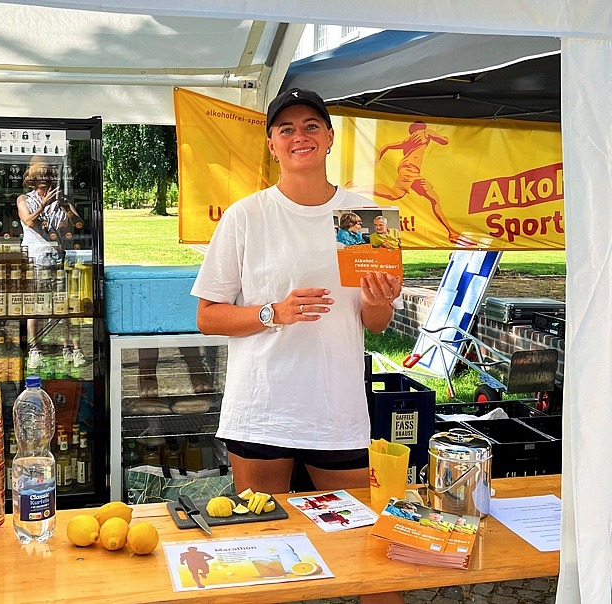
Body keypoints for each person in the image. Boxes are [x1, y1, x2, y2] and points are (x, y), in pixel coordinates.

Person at [191, 88, 403, 604]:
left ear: (329, 138)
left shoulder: (364, 218)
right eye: (286, 129)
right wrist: (272, 313)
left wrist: (380, 299)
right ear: (271, 145)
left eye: (311, 126)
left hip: (338, 411)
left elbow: (376, 323)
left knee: (367, 556)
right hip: (262, 411)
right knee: (260, 553)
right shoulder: (246, 217)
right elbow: (207, 316)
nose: (299, 136)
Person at [373, 121, 459, 242]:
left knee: (434, 199)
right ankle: (356, 187)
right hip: (409, 169)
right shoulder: (425, 133)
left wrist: (378, 158)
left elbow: (386, 146)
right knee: (395, 194)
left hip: (412, 171)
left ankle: (452, 233)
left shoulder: (408, 140)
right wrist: (441, 136)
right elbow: (445, 141)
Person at [16, 155, 84, 266]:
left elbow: (79, 224)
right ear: (33, 179)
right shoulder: (24, 199)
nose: (43, 178)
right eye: (39, 175)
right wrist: (42, 206)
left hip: (57, 256)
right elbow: (29, 221)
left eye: (46, 174)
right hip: (34, 258)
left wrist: (65, 207)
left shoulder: (63, 199)